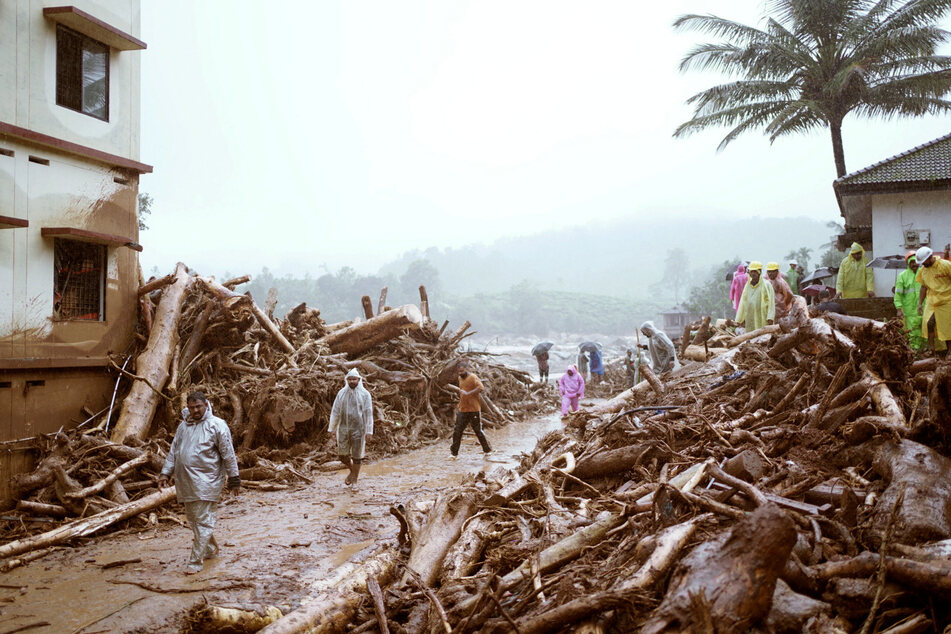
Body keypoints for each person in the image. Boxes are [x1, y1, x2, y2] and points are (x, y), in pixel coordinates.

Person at [159, 391, 240, 575]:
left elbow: (228, 453)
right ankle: (211, 549)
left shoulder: (217, 425)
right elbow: (174, 452)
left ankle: (195, 562)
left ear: (206, 405)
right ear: (187, 407)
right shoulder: (183, 427)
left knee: (202, 521)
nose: (195, 410)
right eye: (191, 407)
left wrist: (234, 479)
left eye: (198, 407)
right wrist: (165, 473)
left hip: (208, 481)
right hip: (186, 482)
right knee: (194, 520)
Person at [328, 368, 374, 486]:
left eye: (354, 379)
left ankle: (354, 479)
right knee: (342, 455)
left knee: (357, 455)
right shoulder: (341, 393)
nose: (352, 381)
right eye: (350, 379)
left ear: (359, 380)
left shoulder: (365, 394)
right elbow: (335, 411)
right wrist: (331, 428)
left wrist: (369, 431)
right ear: (347, 380)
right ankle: (353, 471)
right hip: (343, 428)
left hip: (359, 429)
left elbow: (368, 413)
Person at [450, 360, 492, 457]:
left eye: (462, 371)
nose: (460, 373)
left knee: (477, 430)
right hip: (463, 409)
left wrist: (468, 394)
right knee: (457, 431)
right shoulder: (460, 378)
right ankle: (454, 453)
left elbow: (481, 388)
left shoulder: (473, 377)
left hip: (474, 409)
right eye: (459, 372)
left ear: (467, 369)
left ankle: (487, 450)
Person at [916, 246, 951, 356]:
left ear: (930, 257)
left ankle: (950, 351)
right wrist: (920, 304)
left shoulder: (945, 265)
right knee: (928, 324)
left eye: (924, 261)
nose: (922, 264)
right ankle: (932, 350)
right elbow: (923, 287)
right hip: (931, 301)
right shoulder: (923, 271)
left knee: (947, 327)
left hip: (946, 301)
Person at [894, 251, 924, 351]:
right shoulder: (902, 276)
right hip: (909, 309)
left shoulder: (924, 273)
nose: (914, 264)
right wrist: (899, 308)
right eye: (911, 262)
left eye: (915, 261)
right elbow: (898, 294)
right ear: (908, 263)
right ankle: (914, 351)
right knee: (913, 331)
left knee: (925, 330)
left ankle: (924, 350)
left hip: (923, 307)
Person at [735, 261, 775, 330]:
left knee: (762, 335)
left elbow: (771, 302)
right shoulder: (747, 286)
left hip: (762, 316)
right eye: (751, 271)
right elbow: (743, 302)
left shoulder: (766, 285)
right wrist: (739, 319)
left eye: (755, 271)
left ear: (759, 272)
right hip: (750, 316)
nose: (753, 274)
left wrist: (770, 317)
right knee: (750, 336)